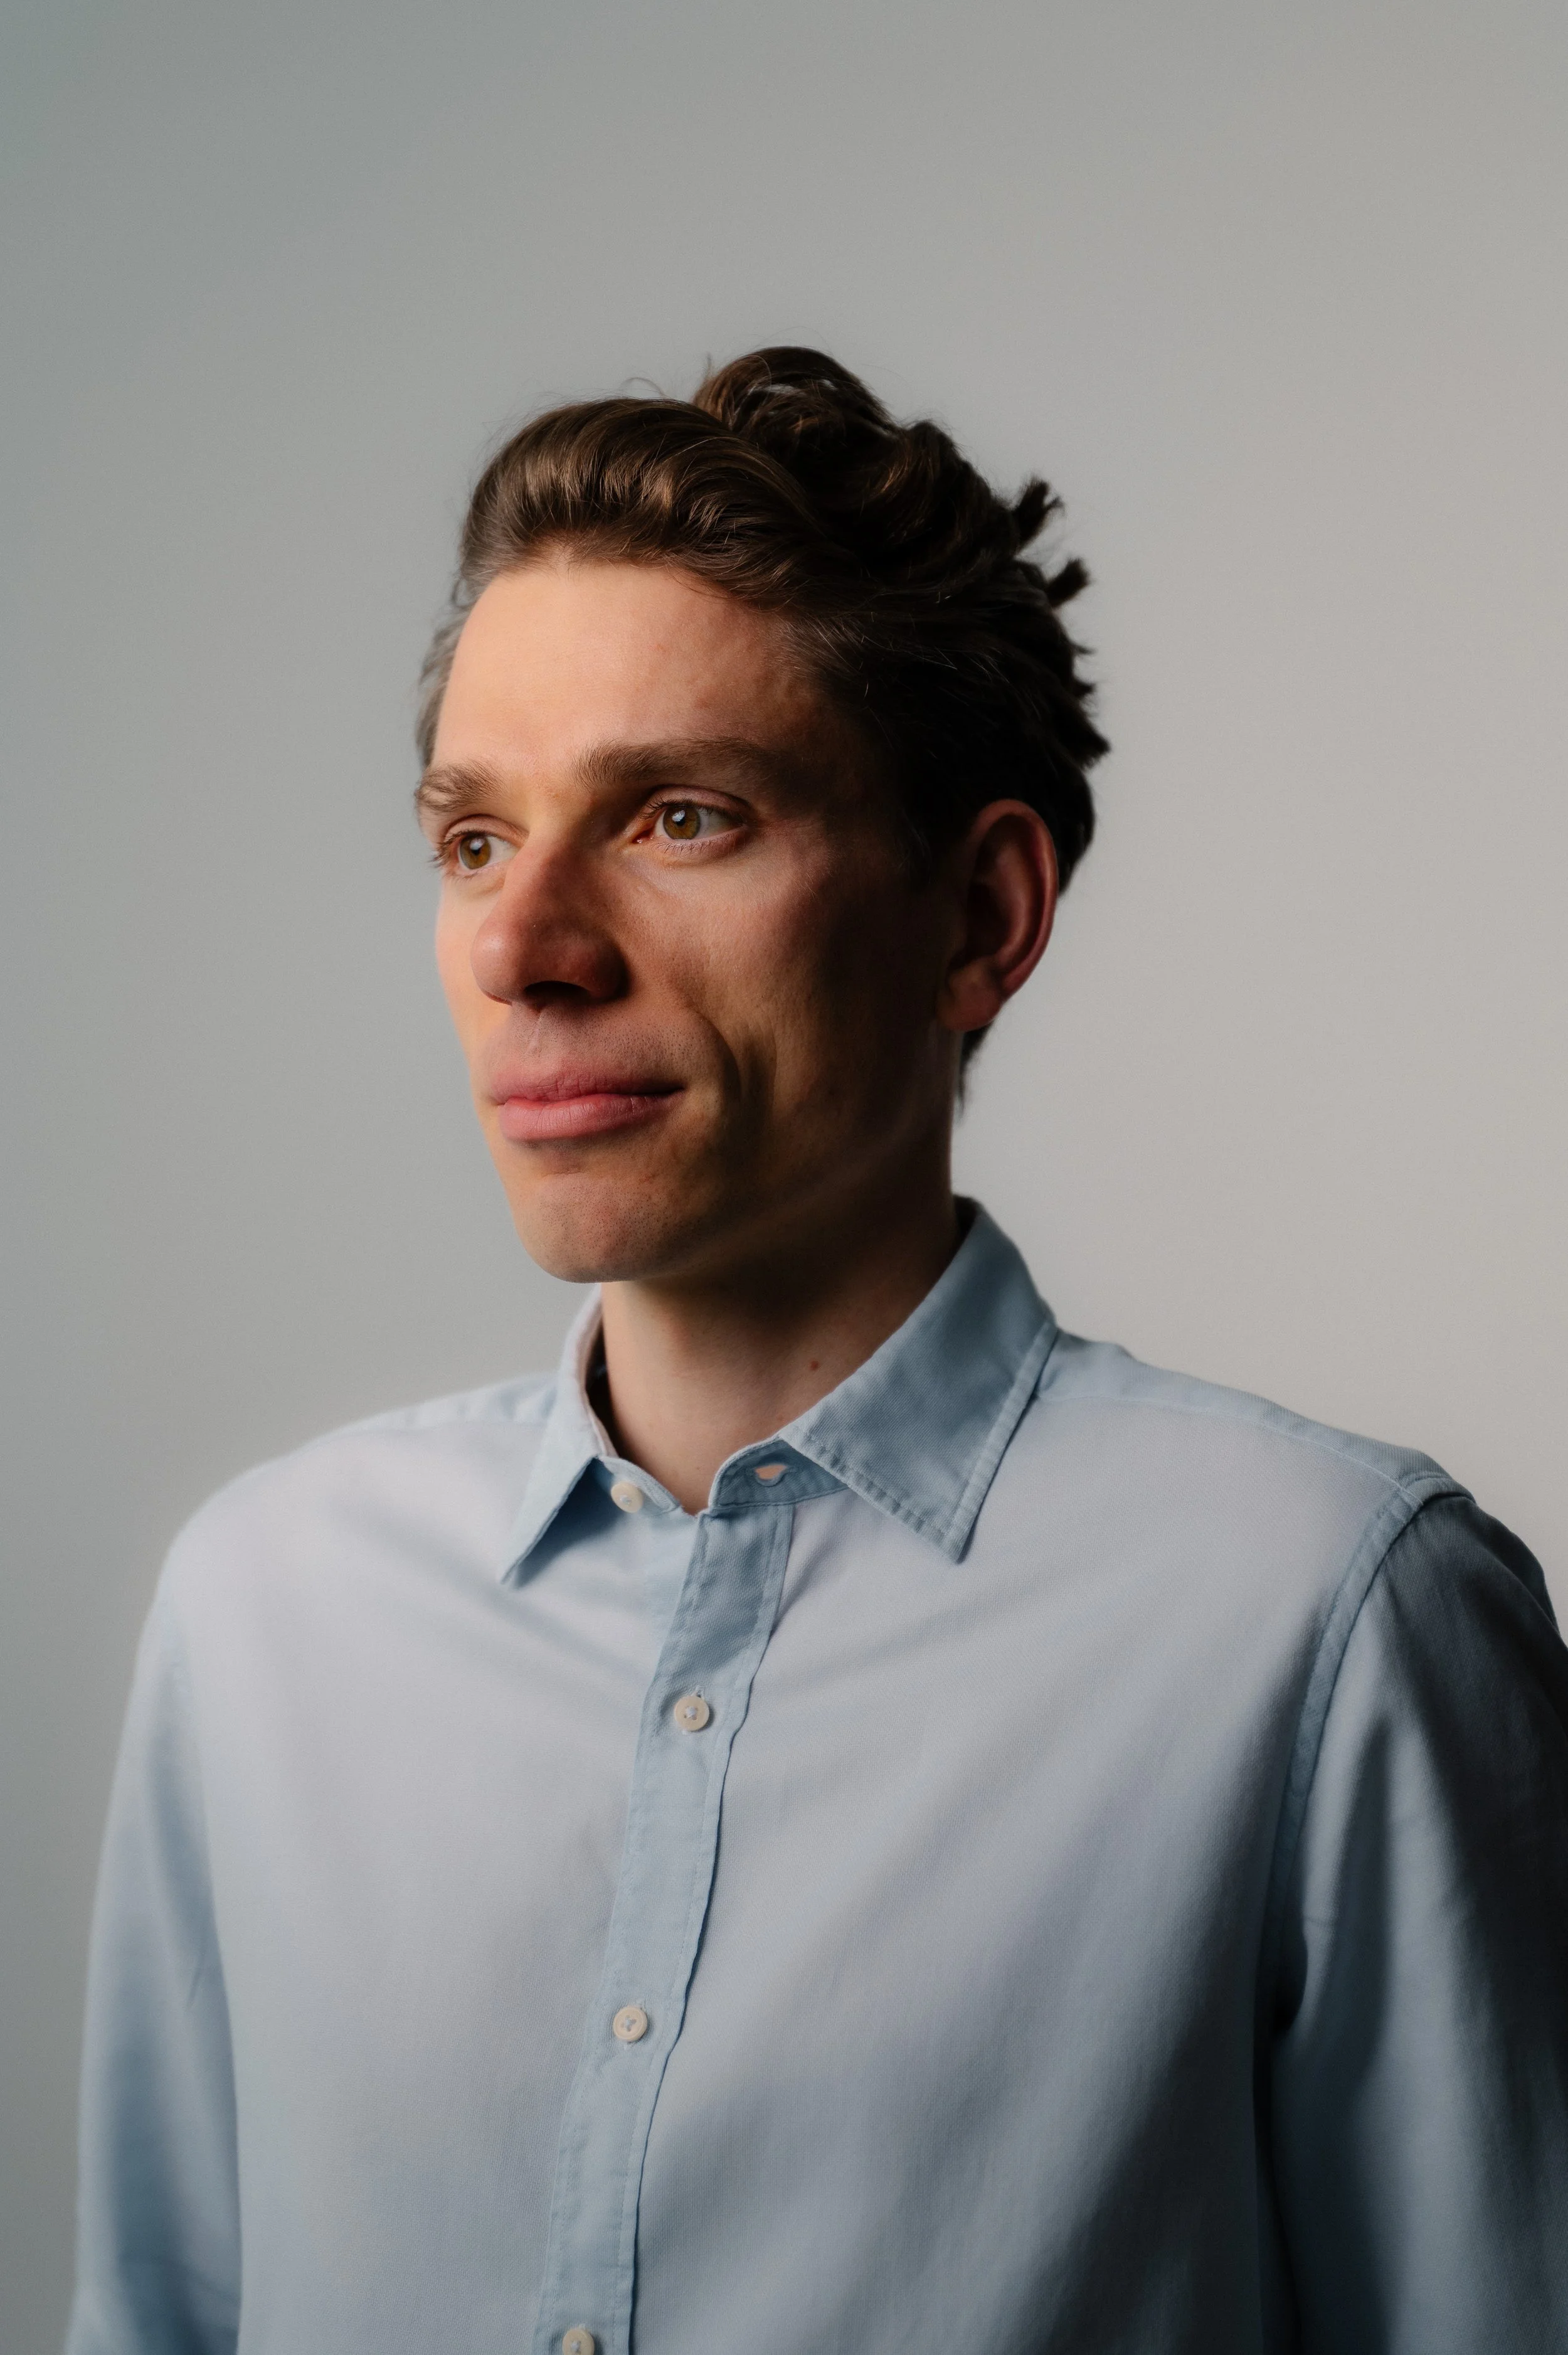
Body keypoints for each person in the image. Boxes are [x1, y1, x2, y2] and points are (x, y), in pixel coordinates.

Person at [68, 348, 1568, 2355]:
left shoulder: (1318, 1621)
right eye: (472, 841)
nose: (528, 950)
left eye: (679, 817)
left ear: (980, 915)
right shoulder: (264, 1613)